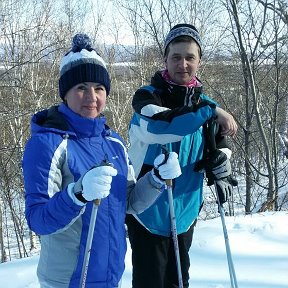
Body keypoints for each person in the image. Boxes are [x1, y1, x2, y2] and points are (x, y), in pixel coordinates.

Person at [22, 33, 182, 288]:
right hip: (68, 280)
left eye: (99, 88)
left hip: (110, 275)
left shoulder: (114, 142)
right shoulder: (48, 144)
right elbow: (38, 220)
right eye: (81, 88)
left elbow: (129, 202)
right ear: (66, 93)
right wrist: (77, 195)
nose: (91, 96)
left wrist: (156, 178)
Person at [126, 23, 238, 288]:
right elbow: (162, 127)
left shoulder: (205, 106)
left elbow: (220, 142)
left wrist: (222, 161)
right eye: (176, 57)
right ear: (165, 59)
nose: (183, 64)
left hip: (185, 213)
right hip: (147, 214)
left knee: (179, 282)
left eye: (190, 57)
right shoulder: (147, 98)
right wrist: (211, 110)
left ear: (199, 61)